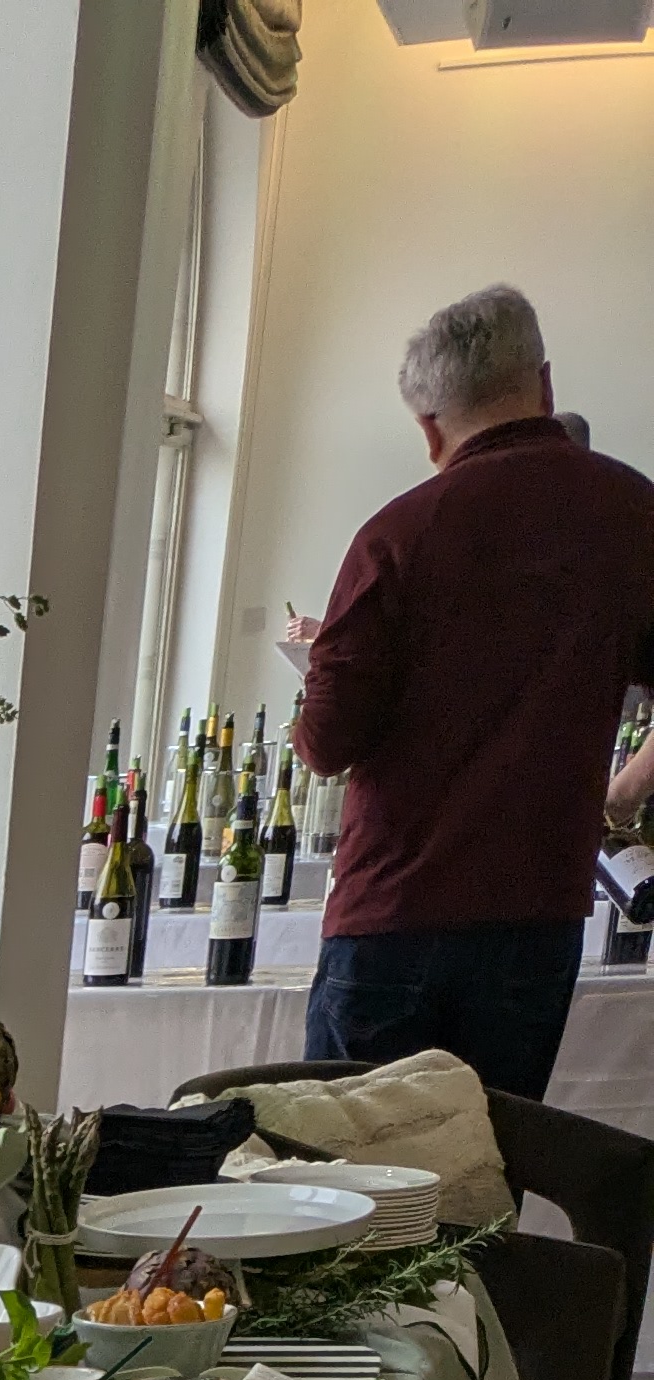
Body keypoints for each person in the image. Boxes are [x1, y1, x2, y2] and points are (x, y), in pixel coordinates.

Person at [273, 284, 654, 1094]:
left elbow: (326, 743)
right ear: (544, 385)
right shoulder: (634, 515)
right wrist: (618, 792)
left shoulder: (400, 533)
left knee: (352, 1186)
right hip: (538, 915)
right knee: (488, 1182)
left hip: (396, 907)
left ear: (428, 427)